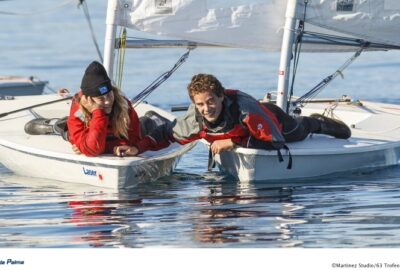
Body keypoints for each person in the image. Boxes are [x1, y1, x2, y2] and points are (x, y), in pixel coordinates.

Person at [135, 73, 351, 161]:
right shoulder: (196, 119)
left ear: (221, 97)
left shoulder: (245, 112)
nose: (206, 108)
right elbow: (166, 133)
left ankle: (318, 122)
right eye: (200, 104)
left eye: (211, 101)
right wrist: (139, 147)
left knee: (299, 130)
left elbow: (277, 143)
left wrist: (232, 141)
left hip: (271, 119)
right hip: (252, 123)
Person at [25, 61, 164, 157]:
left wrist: (114, 147)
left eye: (109, 94)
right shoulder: (78, 110)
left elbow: (132, 141)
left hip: (111, 133)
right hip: (88, 128)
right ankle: (52, 126)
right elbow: (93, 150)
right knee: (67, 131)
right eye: (101, 98)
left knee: (143, 127)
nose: (108, 101)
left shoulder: (122, 104)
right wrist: (98, 111)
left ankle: (150, 119)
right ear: (89, 100)